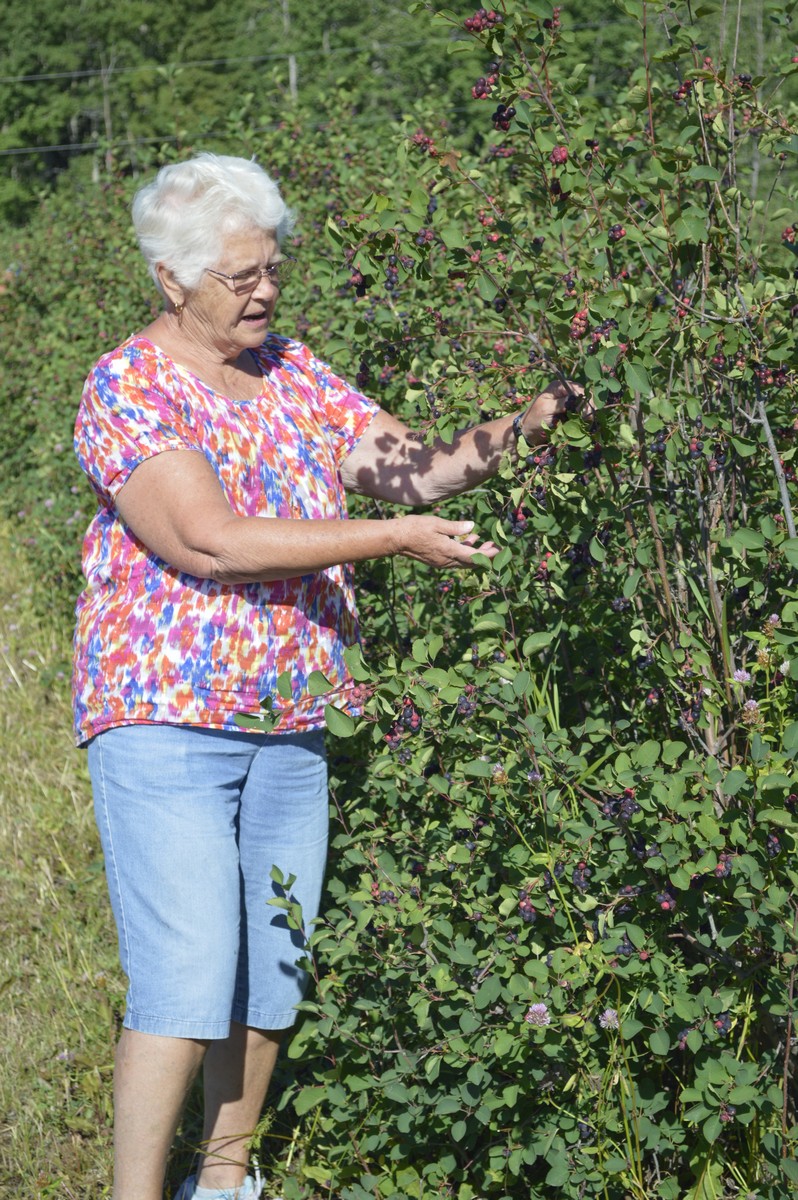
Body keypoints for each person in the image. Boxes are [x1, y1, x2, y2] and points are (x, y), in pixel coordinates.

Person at [72, 152, 579, 1200]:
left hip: (293, 713)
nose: (264, 290)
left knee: (273, 962)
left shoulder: (295, 371)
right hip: (166, 715)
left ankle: (224, 1181)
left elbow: (413, 467)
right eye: (238, 275)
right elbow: (205, 542)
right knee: (186, 976)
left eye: (271, 268)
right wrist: (393, 537)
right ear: (171, 279)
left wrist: (522, 428)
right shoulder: (127, 384)